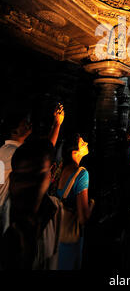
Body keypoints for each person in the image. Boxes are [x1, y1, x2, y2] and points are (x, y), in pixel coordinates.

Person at [0, 138, 63, 270]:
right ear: (12, 179)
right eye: (23, 177)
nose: (29, 186)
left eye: (37, 176)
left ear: (51, 173)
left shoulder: (55, 211)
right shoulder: (4, 220)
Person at [0, 103, 64, 207]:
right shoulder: (13, 152)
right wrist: (57, 124)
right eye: (24, 123)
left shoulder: (5, 150)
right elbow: (45, 154)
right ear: (14, 131)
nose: (29, 124)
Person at [55, 133, 94, 270]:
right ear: (75, 152)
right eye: (83, 143)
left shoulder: (59, 170)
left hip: (55, 237)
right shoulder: (82, 174)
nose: (87, 144)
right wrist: (91, 205)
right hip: (71, 239)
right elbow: (83, 218)